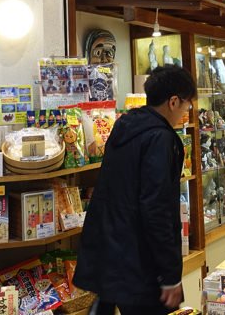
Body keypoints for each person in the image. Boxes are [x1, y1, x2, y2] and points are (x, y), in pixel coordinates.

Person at [75, 65, 194, 315]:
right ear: (173, 101)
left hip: (110, 257)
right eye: (187, 103)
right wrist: (170, 275)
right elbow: (157, 209)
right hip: (140, 265)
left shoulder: (125, 126)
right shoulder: (160, 139)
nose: (188, 110)